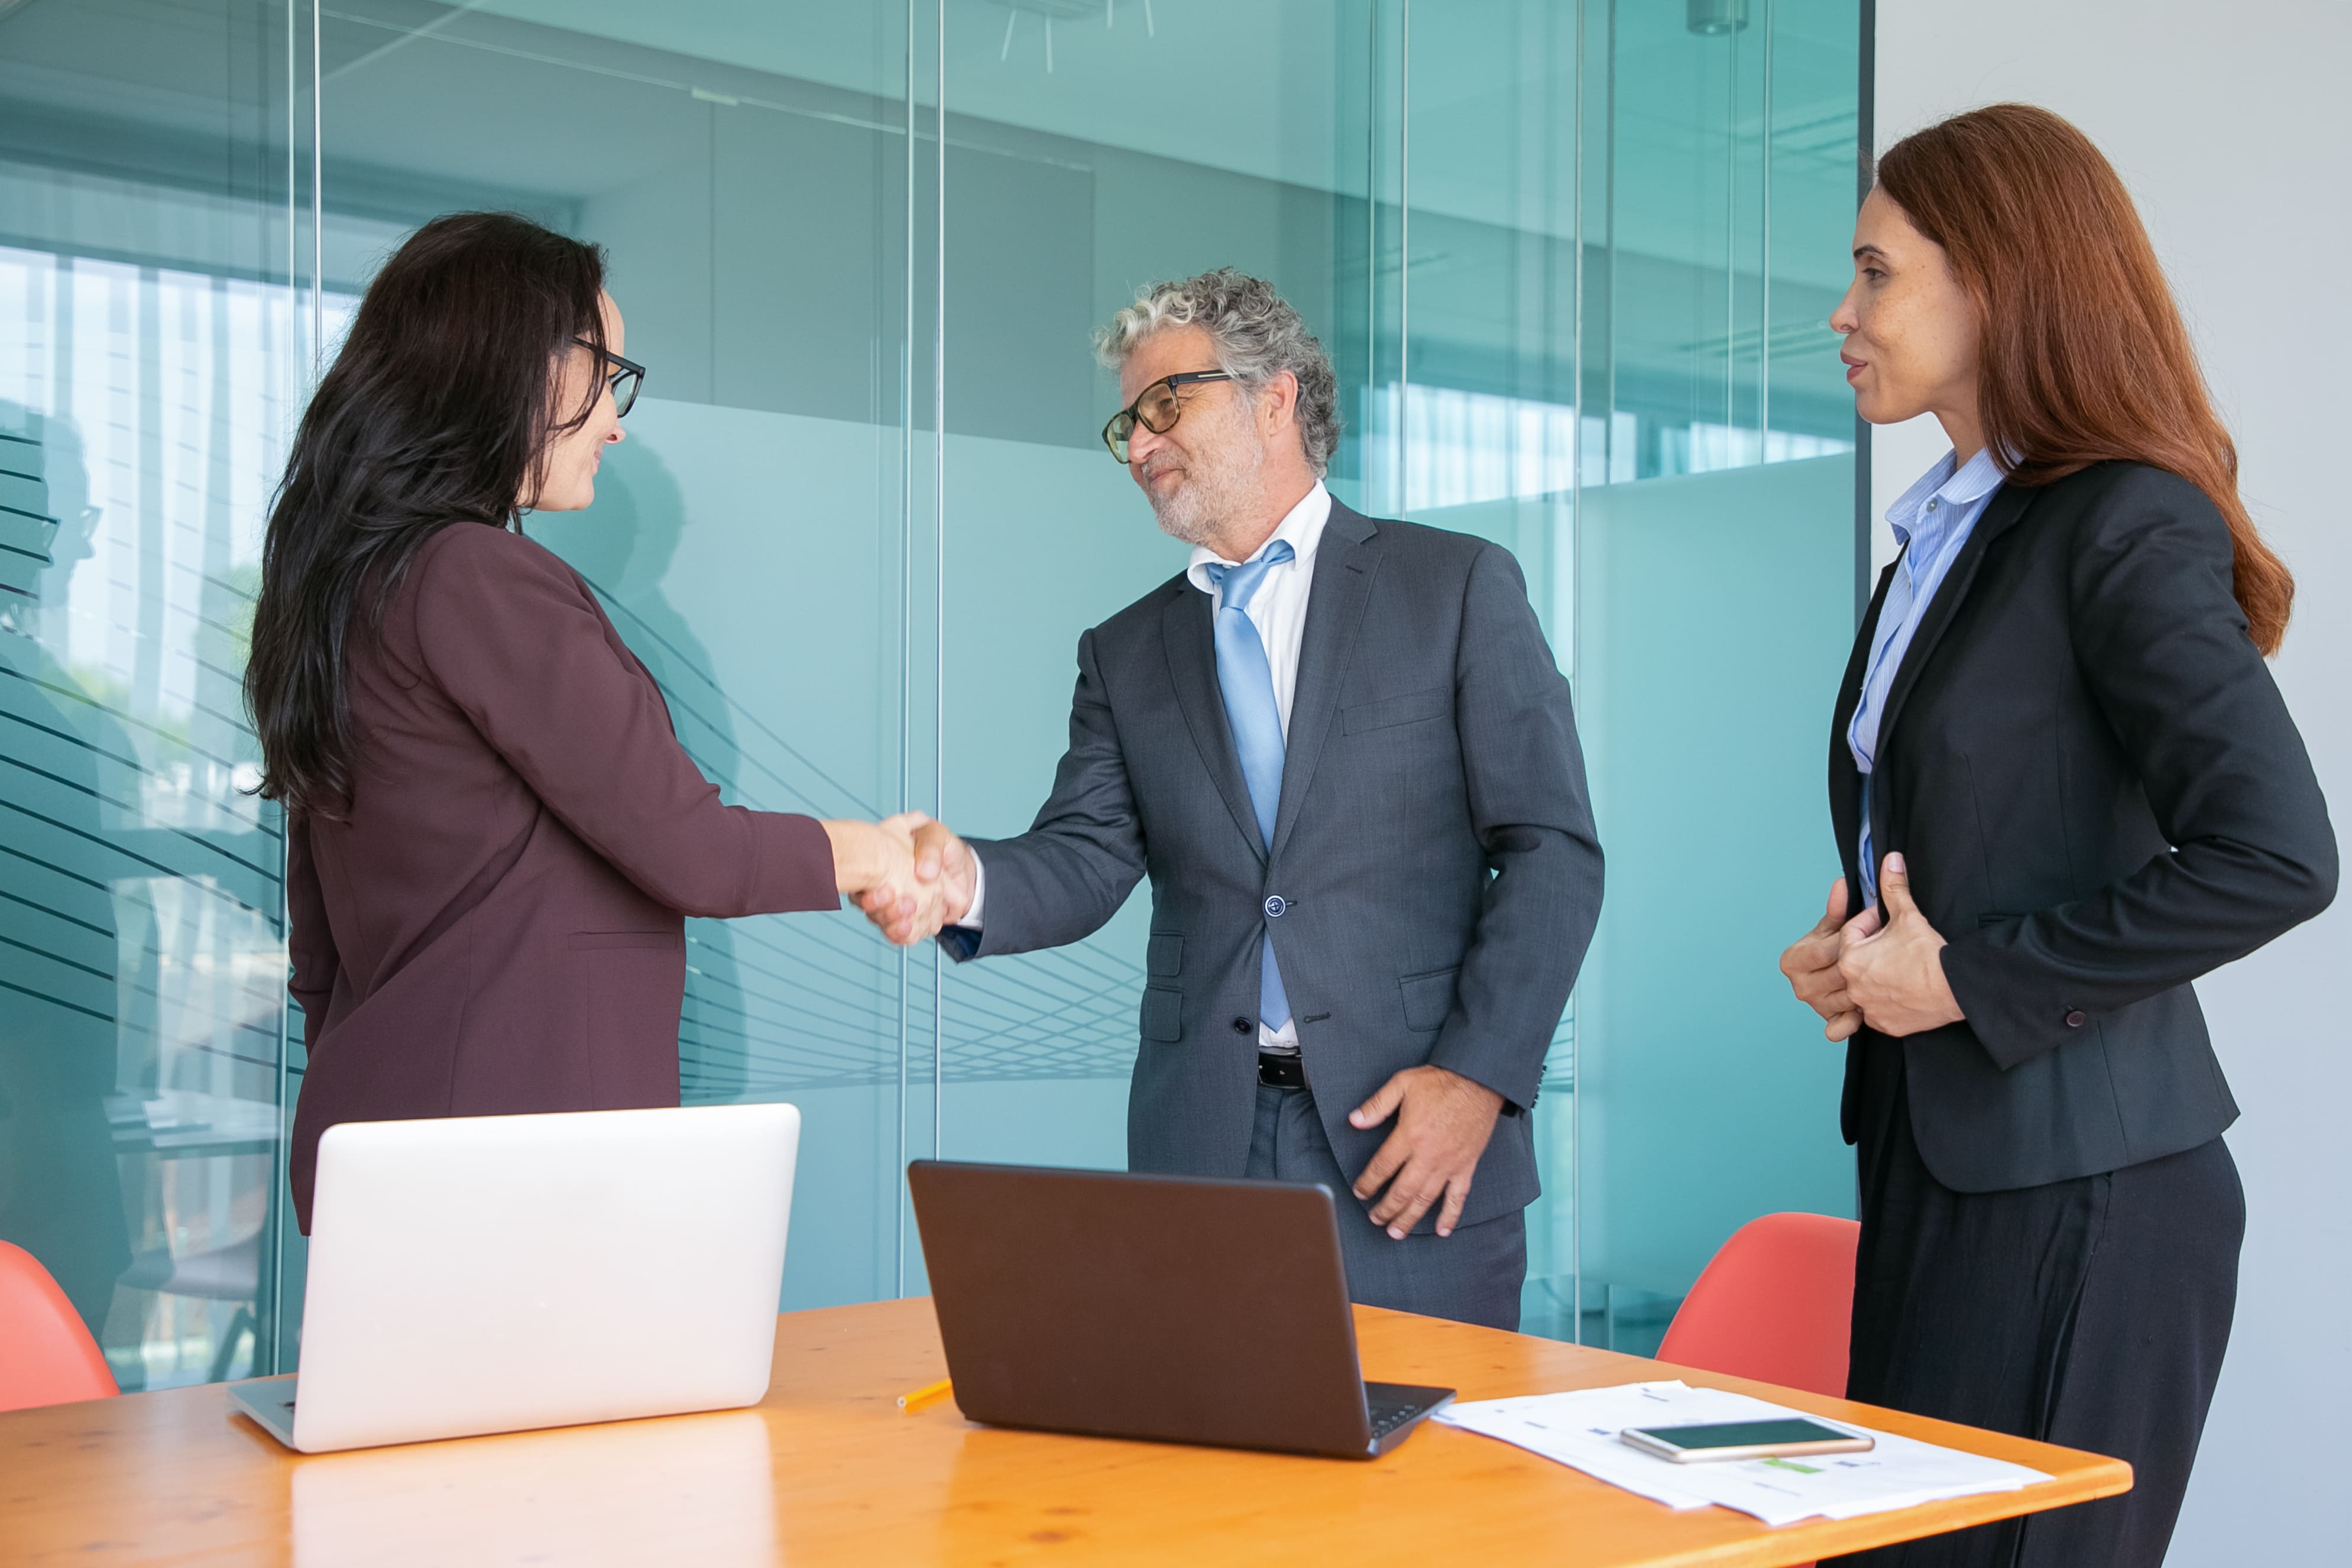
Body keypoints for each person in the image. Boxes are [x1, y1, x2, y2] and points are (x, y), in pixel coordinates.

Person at [1780, 106, 2335, 1567]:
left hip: (2086, 1191)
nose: (1842, 313)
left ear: (1997, 282)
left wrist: (1966, 978)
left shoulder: (2121, 521)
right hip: (1935, 1163)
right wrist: (1863, 956)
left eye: (1876, 274)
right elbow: (1990, 829)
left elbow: (2280, 854)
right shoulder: (1947, 533)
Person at [865, 270, 1603, 1330]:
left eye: (1167, 404)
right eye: (1126, 421)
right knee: (1207, 1477)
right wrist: (958, 879)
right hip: (1202, 1145)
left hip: (1412, 1137)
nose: (1140, 443)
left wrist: (1476, 1080)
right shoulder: (1125, 652)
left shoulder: (1453, 588)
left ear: (1275, 398)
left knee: (1431, 1484)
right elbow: (1081, 858)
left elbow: (1551, 852)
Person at [244, 212, 939, 1232]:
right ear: (521, 363)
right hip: (519, 1159)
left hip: (388, 1152)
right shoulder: (477, 576)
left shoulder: (348, 590)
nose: (617, 421)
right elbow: (691, 851)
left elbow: (320, 955)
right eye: (607, 375)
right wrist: (876, 853)